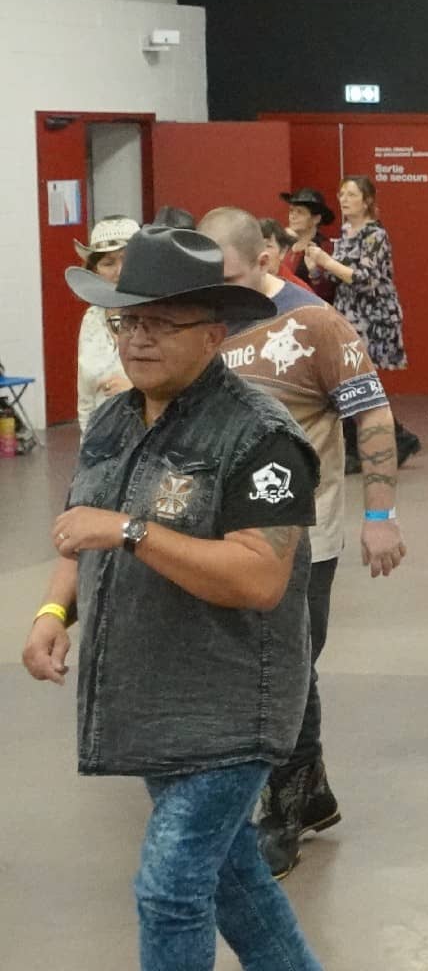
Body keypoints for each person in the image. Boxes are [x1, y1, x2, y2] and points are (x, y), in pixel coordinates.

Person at [24, 224, 324, 969]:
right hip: (150, 695)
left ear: (214, 335)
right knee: (233, 879)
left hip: (231, 704)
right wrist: (54, 610)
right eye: (128, 321)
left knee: (170, 888)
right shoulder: (116, 422)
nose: (138, 339)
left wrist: (131, 531)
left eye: (162, 323)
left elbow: (260, 577)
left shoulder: (260, 437)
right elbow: (78, 528)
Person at [202, 206, 407, 879]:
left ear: (263, 258)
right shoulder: (197, 322)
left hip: (301, 531)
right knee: (263, 662)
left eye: (226, 273)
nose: (217, 288)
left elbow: (370, 414)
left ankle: (282, 810)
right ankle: (311, 792)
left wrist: (380, 515)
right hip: (218, 532)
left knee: (281, 665)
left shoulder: (314, 322)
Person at [300, 175, 422, 469]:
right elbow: (336, 277)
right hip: (347, 312)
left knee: (356, 379)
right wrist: (316, 269)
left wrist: (327, 262)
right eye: (342, 194)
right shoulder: (346, 232)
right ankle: (386, 440)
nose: (344, 200)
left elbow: (365, 279)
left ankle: (384, 441)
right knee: (352, 380)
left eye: (351, 195)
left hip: (372, 315)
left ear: (367, 200)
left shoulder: (374, 235)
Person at [72, 215, 139, 435]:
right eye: (108, 263)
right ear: (95, 270)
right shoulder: (92, 317)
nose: (119, 271)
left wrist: (136, 390)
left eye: (127, 259)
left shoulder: (159, 315)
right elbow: (85, 398)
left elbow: (182, 388)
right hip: (101, 447)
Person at [279, 187, 337, 301]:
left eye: (300, 212)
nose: (293, 216)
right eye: (291, 210)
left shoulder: (325, 248)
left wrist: (314, 271)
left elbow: (326, 293)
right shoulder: (287, 246)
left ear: (316, 219)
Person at [258, 219, 314, 294]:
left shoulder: (300, 291)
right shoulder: (240, 283)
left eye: (268, 246)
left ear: (283, 252)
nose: (261, 252)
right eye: (256, 244)